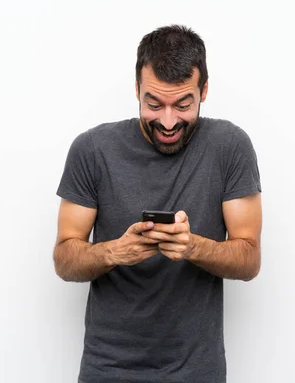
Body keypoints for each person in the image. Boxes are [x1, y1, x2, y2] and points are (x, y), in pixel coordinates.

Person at [53, 24, 263, 383]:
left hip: (197, 371)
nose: (168, 121)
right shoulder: (92, 150)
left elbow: (249, 259)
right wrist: (115, 252)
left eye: (183, 104)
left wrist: (192, 246)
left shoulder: (230, 147)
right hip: (109, 368)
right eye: (154, 104)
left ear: (204, 91)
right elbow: (63, 259)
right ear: (136, 90)